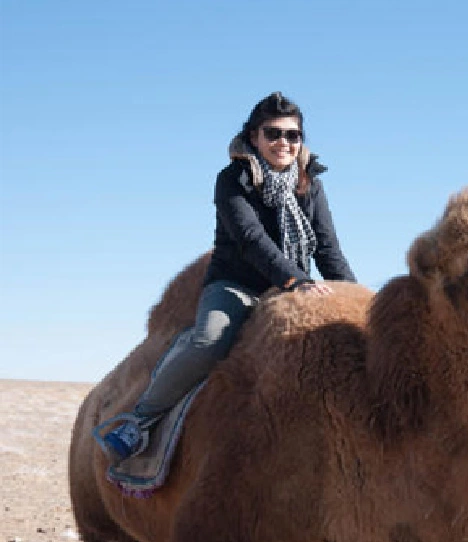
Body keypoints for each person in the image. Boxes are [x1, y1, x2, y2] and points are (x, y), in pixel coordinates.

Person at [96, 91, 357, 462]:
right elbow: (251, 239)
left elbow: (327, 248)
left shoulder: (309, 184)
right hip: (239, 286)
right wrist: (296, 280)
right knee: (210, 341)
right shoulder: (233, 180)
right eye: (273, 133)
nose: (284, 143)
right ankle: (139, 421)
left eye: (293, 135)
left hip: (294, 289)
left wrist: (356, 298)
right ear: (254, 137)